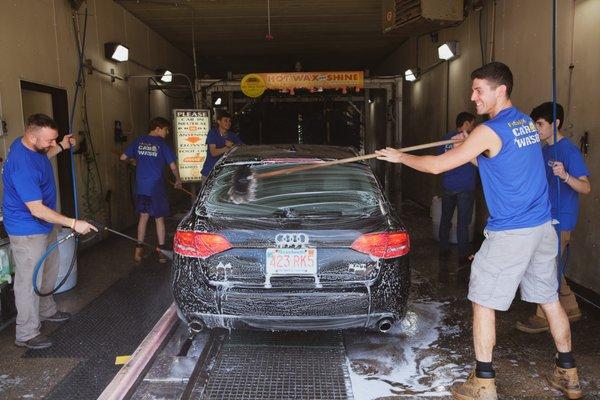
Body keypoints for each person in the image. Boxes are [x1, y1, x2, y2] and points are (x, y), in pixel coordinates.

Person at [376, 62, 582, 400]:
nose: (473, 97)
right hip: (542, 228)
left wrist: (400, 157)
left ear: (500, 90)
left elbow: (438, 165)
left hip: (511, 232)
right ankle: (568, 375)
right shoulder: (525, 125)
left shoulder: (490, 131)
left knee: (482, 301)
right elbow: (498, 162)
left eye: (478, 90)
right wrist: (471, 144)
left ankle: (483, 382)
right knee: (549, 299)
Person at [3, 114, 97, 350]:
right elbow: (36, 209)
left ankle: (46, 311)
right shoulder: (21, 164)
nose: (52, 145)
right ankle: (26, 333)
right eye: (49, 141)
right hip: (27, 228)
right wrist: (73, 223)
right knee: (28, 280)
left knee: (48, 271)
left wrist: (63, 146)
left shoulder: (31, 146)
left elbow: (45, 157)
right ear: (33, 137)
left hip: (45, 224)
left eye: (55, 140)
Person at [516, 102, 590, 334]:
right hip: (544, 217)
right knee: (552, 264)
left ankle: (543, 317)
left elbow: (586, 187)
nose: (536, 129)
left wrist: (566, 175)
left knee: (545, 266)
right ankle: (571, 307)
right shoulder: (542, 149)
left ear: (555, 123)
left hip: (562, 219)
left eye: (540, 124)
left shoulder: (569, 151)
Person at [121, 117, 182, 263]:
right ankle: (161, 252)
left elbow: (123, 157)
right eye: (166, 129)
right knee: (159, 219)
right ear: (157, 128)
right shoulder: (162, 144)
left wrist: (133, 161)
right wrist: (178, 180)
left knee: (143, 217)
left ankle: (138, 252)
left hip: (142, 187)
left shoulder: (139, 141)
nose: (167, 133)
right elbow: (173, 166)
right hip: (156, 188)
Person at [438, 112, 478, 263]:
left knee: (445, 218)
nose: (473, 127)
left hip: (448, 185)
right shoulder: (472, 140)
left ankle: (443, 248)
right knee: (463, 222)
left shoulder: (445, 139)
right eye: (472, 124)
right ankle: (463, 253)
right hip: (466, 187)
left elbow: (439, 160)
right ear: (466, 124)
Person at [200, 111, 242, 182]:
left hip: (225, 173)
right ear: (218, 121)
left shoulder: (232, 135)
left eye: (229, 121)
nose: (228, 123)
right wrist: (229, 148)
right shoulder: (212, 133)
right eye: (225, 120)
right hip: (210, 172)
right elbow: (213, 152)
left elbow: (243, 149)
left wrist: (233, 146)